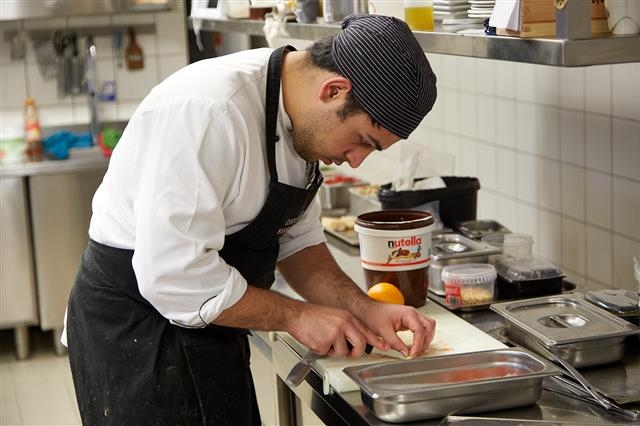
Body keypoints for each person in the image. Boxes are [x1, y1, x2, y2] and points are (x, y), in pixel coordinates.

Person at [63, 13, 438, 426]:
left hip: (213, 323)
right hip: (137, 333)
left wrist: (366, 309)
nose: (356, 160)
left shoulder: (298, 118)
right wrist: (296, 315)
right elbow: (173, 274)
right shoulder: (208, 112)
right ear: (333, 91)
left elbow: (299, 243)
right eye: (363, 141)